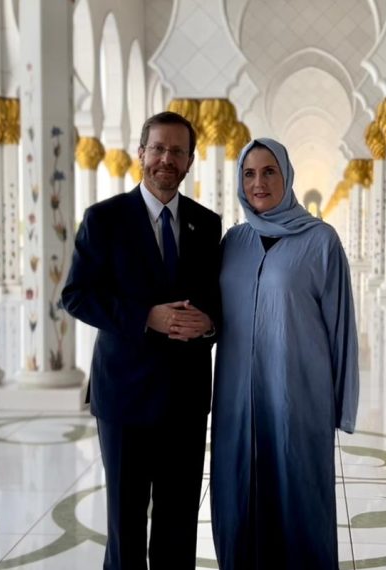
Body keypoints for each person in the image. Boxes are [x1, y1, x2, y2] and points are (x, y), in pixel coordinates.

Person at [60, 111, 221, 569]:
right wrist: (145, 316)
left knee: (178, 523)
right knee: (126, 525)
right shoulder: (104, 220)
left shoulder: (207, 225)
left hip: (186, 402)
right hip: (124, 399)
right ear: (141, 154)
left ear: (190, 161)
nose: (166, 159)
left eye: (177, 151)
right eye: (158, 149)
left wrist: (208, 324)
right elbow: (76, 296)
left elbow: (220, 302)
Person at [210, 137, 360, 569]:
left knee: (299, 498)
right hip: (237, 403)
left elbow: (341, 327)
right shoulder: (232, 242)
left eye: (269, 171)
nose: (259, 183)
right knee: (237, 496)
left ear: (287, 176)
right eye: (249, 173)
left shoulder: (321, 241)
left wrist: (340, 405)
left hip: (299, 400)